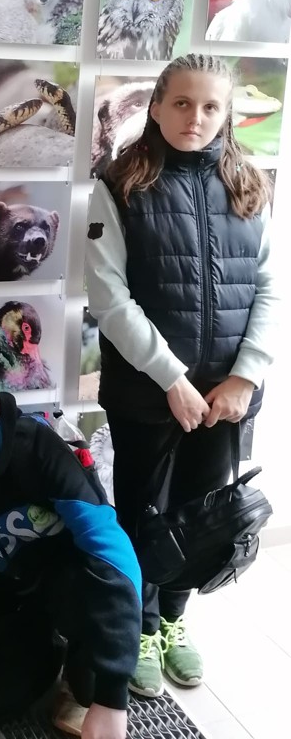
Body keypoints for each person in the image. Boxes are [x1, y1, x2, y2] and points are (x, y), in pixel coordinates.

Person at [85, 53, 277, 699]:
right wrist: (171, 378)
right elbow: (109, 298)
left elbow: (271, 288)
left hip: (226, 398)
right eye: (182, 103)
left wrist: (245, 377)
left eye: (211, 106)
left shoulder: (250, 185)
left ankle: (172, 620)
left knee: (201, 513)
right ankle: (139, 627)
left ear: (227, 114)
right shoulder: (120, 185)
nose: (196, 117)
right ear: (157, 106)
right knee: (144, 512)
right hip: (148, 394)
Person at [0, 358, 141, 739]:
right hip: (11, 588)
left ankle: (81, 660)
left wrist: (113, 696)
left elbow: (113, 550)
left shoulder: (38, 447)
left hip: (71, 582)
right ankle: (50, 650)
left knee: (92, 691)